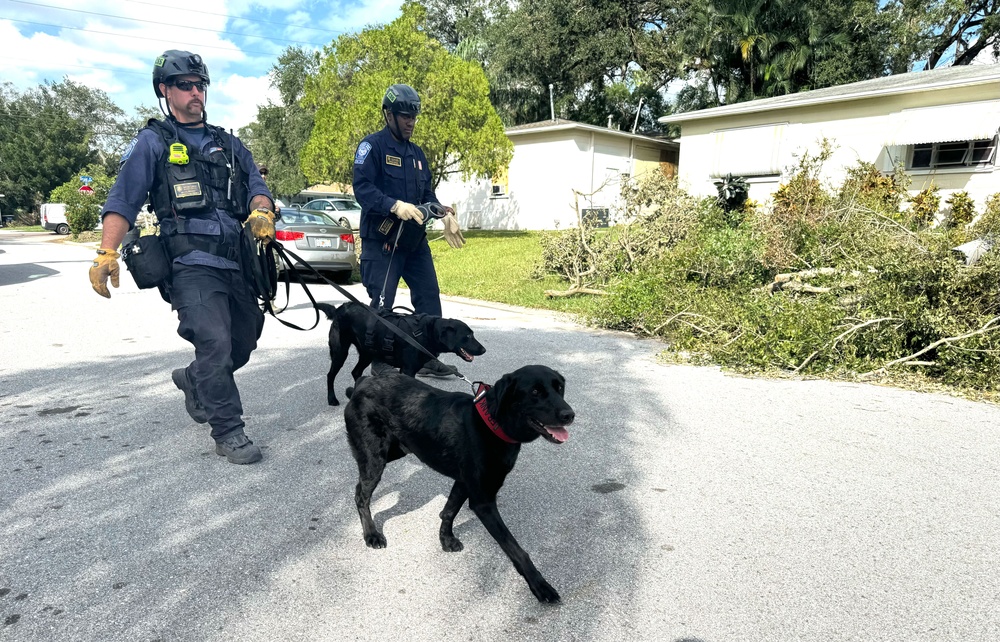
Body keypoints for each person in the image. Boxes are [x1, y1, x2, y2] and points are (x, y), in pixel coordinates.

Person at [88, 50, 276, 465]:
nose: (195, 92)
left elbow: (257, 185)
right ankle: (229, 430)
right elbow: (123, 198)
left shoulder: (229, 144)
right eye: (185, 85)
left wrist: (261, 208)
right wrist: (107, 251)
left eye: (200, 85)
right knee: (215, 342)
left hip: (236, 262)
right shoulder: (153, 141)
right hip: (190, 264)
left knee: (244, 342)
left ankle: (193, 380)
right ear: (165, 90)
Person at [352, 83, 466, 378]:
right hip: (383, 240)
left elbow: (427, 193)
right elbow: (363, 189)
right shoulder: (371, 147)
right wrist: (393, 205)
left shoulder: (417, 154)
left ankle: (428, 357)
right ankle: (381, 362)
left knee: (429, 297)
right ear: (388, 114)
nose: (411, 122)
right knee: (382, 303)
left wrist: (444, 212)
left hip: (414, 242)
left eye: (414, 116)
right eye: (405, 116)